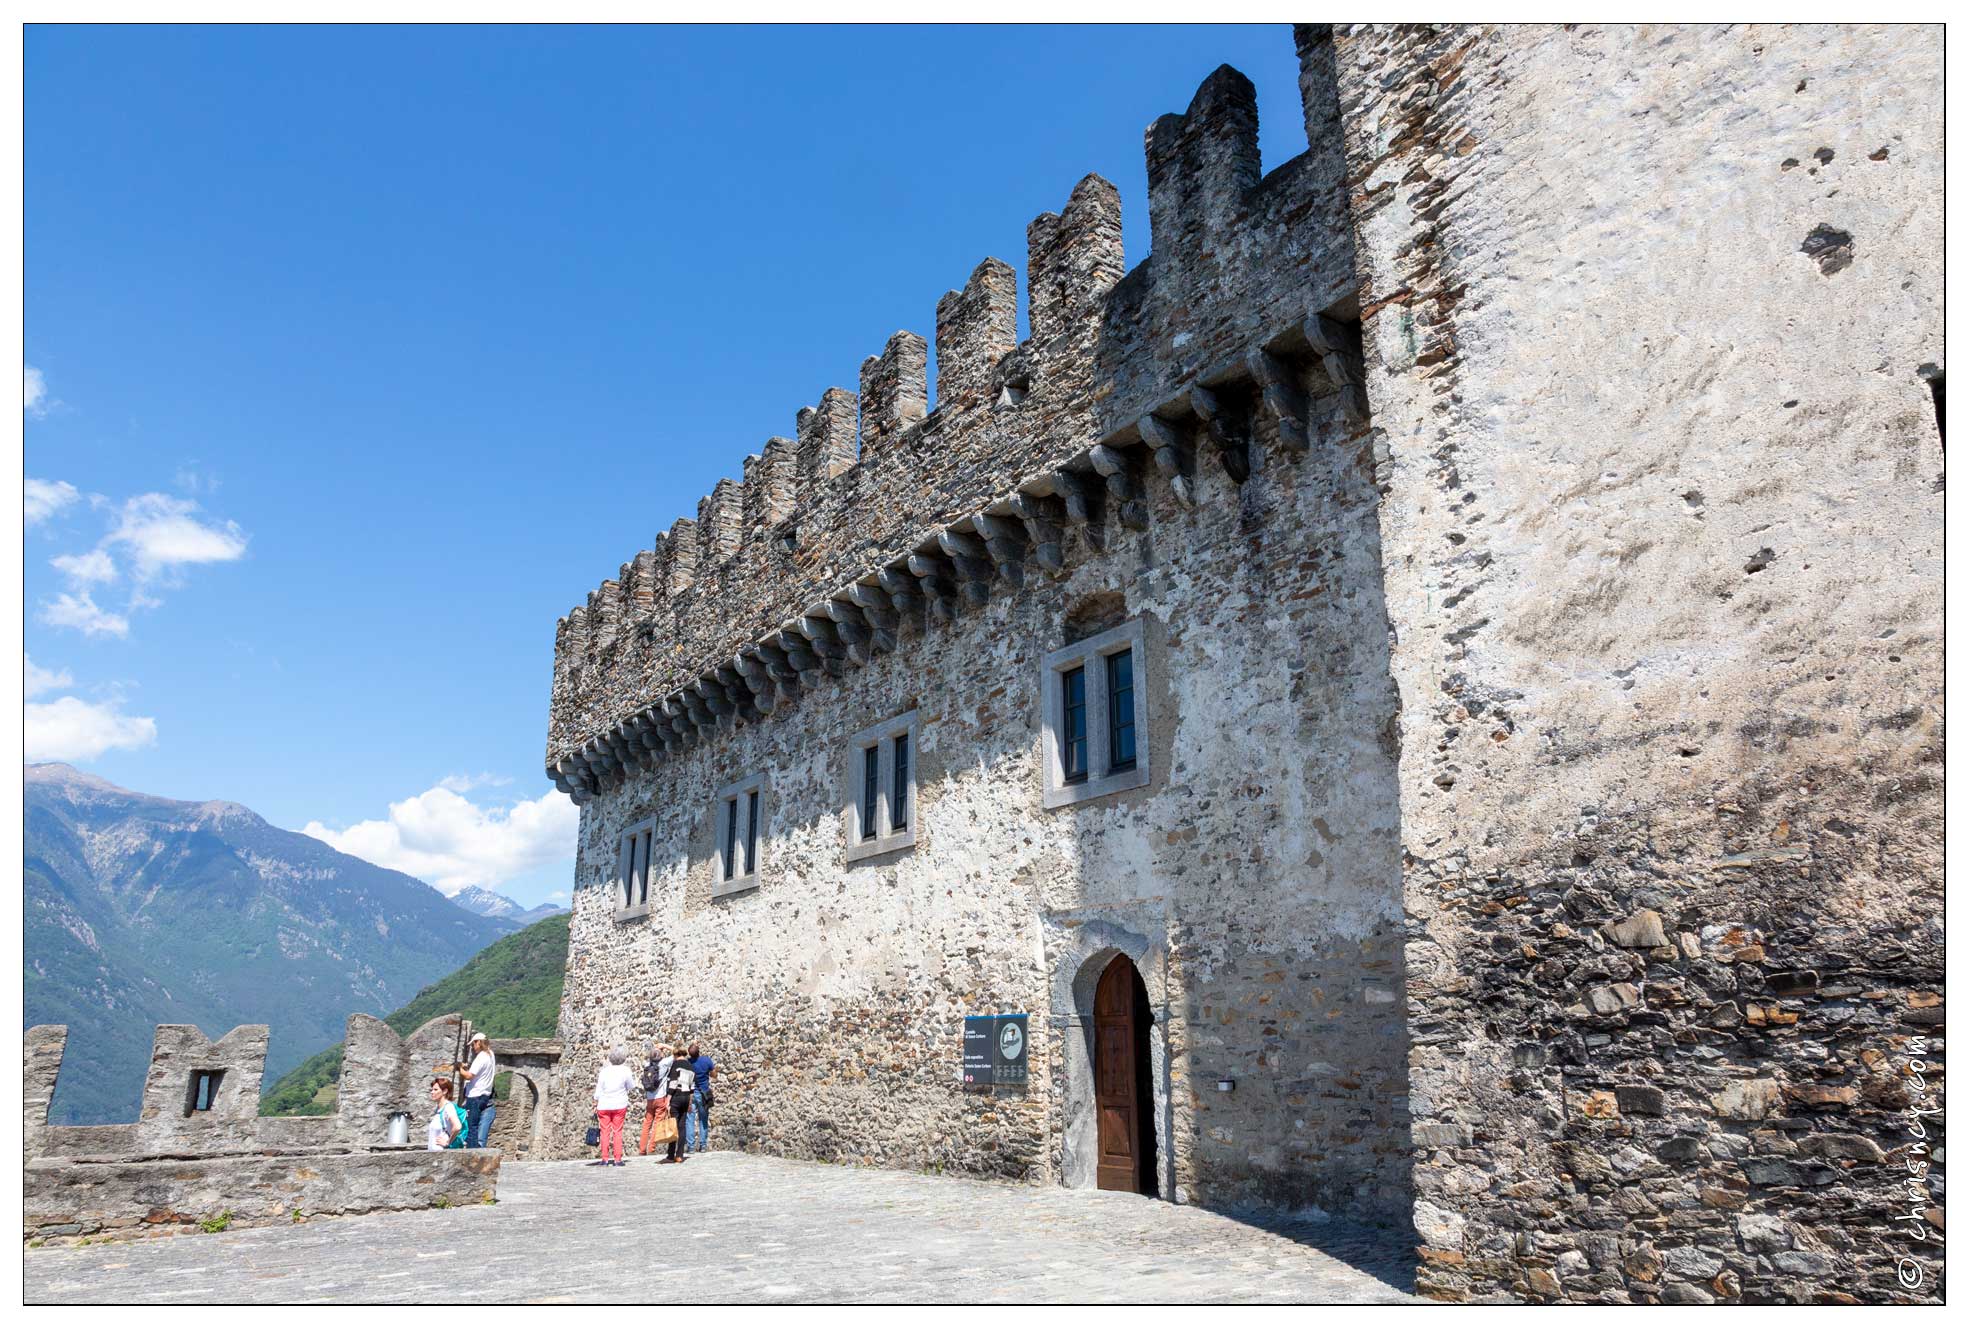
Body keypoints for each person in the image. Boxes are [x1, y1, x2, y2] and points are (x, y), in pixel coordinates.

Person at [592, 1043, 635, 1167]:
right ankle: (617, 1159)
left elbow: (598, 1090)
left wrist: (595, 1102)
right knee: (617, 1131)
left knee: (604, 1132)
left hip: (604, 1105)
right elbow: (631, 1086)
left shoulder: (604, 1072)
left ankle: (605, 1159)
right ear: (622, 1059)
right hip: (619, 1104)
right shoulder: (626, 1071)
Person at [461, 1031, 497, 1148]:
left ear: (478, 1042)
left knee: (471, 1127)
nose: (472, 1047)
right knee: (478, 1130)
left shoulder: (481, 1057)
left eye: (473, 1044)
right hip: (485, 1096)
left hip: (475, 1096)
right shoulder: (491, 1054)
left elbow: (469, 1076)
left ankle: (472, 1155)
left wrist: (460, 1068)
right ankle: (477, 1153)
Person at [637, 1042, 673, 1157]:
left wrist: (654, 1050)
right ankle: (651, 1148)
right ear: (661, 1056)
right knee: (657, 1123)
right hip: (660, 1097)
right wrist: (664, 1046)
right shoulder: (664, 1064)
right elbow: (678, 1052)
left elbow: (642, 1055)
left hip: (649, 1099)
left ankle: (642, 1149)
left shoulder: (646, 1065)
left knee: (647, 1124)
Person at [662, 1045, 695, 1163]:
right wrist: (690, 1102)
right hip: (686, 1097)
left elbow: (673, 1083)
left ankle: (671, 1154)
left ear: (676, 1055)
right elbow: (692, 1086)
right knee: (682, 1126)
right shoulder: (690, 1066)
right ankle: (680, 1155)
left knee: (673, 1125)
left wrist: (667, 1100)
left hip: (676, 1096)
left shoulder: (676, 1065)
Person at [687, 1042, 715, 1154]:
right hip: (703, 1094)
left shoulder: (688, 1063)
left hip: (691, 1094)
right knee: (703, 1119)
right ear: (699, 1052)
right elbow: (714, 1075)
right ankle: (703, 1145)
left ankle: (691, 1147)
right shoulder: (706, 1060)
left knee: (690, 1120)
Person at [426, 1077, 465, 1151]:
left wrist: (448, 1142)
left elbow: (457, 1126)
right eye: (432, 1090)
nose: (432, 1092)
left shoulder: (448, 1107)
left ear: (445, 1091)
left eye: (435, 1090)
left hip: (442, 1155)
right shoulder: (439, 1109)